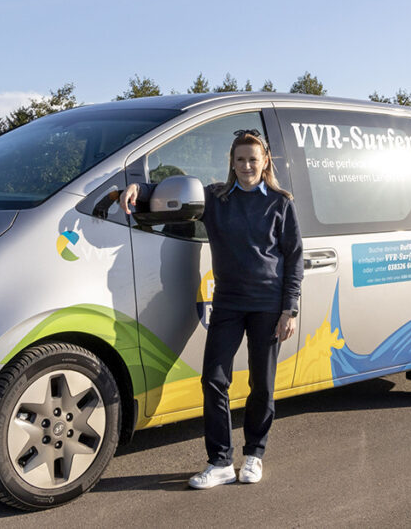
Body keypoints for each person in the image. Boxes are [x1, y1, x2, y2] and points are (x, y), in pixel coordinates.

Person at [121, 128, 303, 488]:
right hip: (228, 304)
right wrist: (137, 190)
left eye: (253, 159)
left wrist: (290, 308)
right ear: (232, 164)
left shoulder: (280, 202)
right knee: (214, 380)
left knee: (262, 384)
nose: (247, 165)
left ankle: (253, 455)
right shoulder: (216, 198)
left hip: (269, 304)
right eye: (240, 160)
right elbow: (169, 193)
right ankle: (220, 461)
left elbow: (294, 256)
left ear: (265, 161)